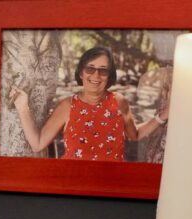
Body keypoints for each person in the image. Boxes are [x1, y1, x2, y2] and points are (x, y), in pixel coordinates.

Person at [10, 47, 169, 161]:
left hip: (114, 183)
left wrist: (164, 115)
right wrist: (23, 107)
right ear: (81, 73)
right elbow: (37, 144)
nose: (96, 75)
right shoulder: (67, 106)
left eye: (103, 70)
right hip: (75, 183)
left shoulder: (120, 102)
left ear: (109, 75)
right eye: (90, 69)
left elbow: (135, 135)